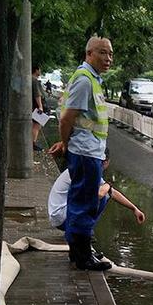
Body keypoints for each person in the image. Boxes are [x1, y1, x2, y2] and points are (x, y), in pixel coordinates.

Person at [49, 36, 114, 271]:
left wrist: (67, 143)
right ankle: (83, 257)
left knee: (82, 202)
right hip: (85, 152)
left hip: (89, 151)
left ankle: (79, 255)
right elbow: (66, 118)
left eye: (110, 54)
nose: (108, 59)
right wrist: (65, 144)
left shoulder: (91, 79)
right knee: (84, 204)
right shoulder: (85, 80)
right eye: (103, 53)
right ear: (89, 54)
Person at [48, 149, 145, 254]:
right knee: (102, 196)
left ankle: (80, 232)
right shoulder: (88, 170)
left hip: (59, 216)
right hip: (61, 216)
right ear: (106, 162)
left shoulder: (85, 167)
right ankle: (83, 232)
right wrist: (108, 185)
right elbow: (100, 194)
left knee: (104, 192)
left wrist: (134, 209)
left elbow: (113, 193)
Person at [32, 64, 44, 151]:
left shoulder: (27, 78)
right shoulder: (34, 81)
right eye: (39, 69)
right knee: (37, 125)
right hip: (35, 106)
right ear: (36, 70)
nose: (40, 71)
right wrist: (40, 106)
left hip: (30, 105)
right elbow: (37, 94)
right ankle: (33, 143)